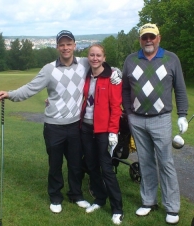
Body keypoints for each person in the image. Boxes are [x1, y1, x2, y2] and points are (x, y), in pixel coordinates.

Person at [0, 30, 121, 214]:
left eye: (69, 44)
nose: (65, 47)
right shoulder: (49, 69)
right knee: (55, 163)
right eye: (62, 44)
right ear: (57, 47)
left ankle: (76, 195)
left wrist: (116, 72)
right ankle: (55, 196)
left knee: (75, 164)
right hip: (54, 125)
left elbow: (102, 64)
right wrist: (11, 95)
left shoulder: (84, 63)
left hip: (75, 125)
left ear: (74, 46)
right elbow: (31, 88)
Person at [122, 23, 188, 224]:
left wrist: (182, 114)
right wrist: (128, 111)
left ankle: (172, 207)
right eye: (144, 37)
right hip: (138, 119)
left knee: (166, 163)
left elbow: (180, 88)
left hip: (161, 119)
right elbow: (125, 88)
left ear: (159, 37)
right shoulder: (131, 60)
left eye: (152, 36)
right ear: (140, 40)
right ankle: (148, 201)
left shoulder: (171, 58)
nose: (148, 40)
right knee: (146, 161)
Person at [80, 44, 123, 225]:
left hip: (104, 130)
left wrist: (113, 131)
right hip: (86, 127)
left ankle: (117, 209)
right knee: (91, 166)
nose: (95, 58)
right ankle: (99, 199)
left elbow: (115, 107)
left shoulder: (112, 77)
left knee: (106, 169)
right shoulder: (86, 74)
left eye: (98, 55)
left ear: (104, 58)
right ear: (88, 57)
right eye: (92, 55)